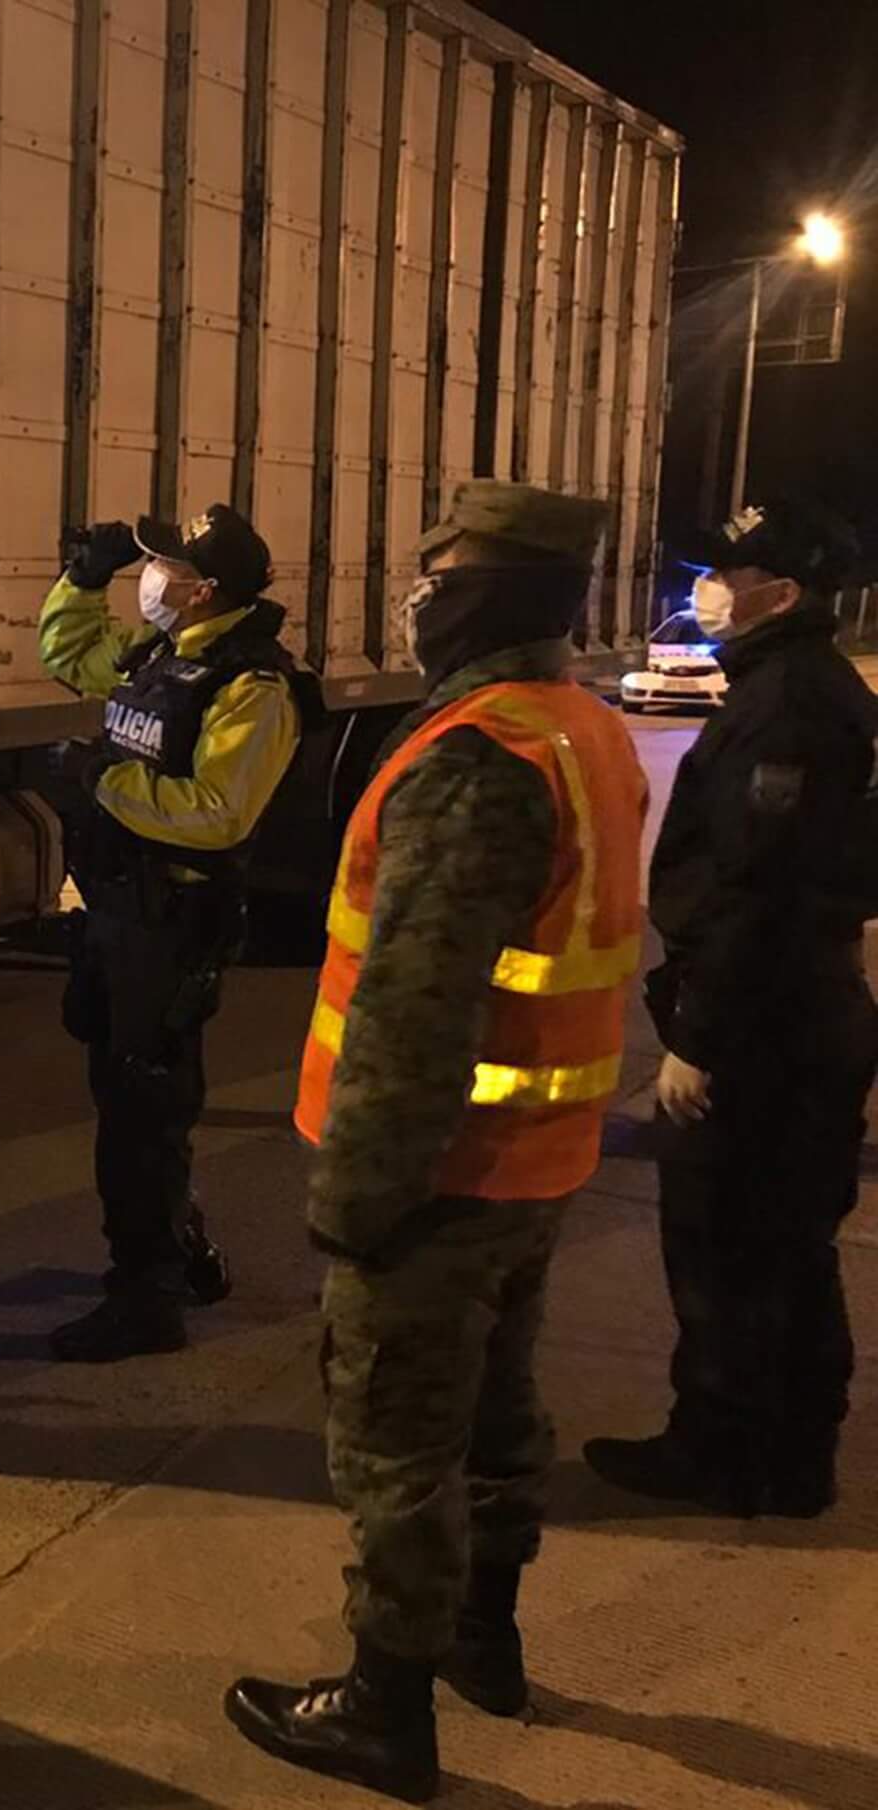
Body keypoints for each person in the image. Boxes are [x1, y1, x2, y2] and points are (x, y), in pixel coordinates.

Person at [225, 482, 648, 1801]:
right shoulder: (578, 725)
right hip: (536, 1155)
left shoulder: (476, 757)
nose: (418, 592)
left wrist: (358, 1194)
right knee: (495, 1411)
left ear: (492, 593)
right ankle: (482, 1638)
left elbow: (413, 1008)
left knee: (397, 1440)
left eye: (442, 571)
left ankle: (381, 1705)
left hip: (442, 1172)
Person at [587, 498, 878, 1519]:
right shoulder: (793, 685)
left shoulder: (787, 705)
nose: (707, 589)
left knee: (728, 1243)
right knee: (785, 1244)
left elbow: (758, 886)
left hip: (768, 1019)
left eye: (728, 575)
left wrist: (697, 1040)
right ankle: (790, 1458)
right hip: (800, 1005)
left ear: (781, 593)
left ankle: (724, 1452)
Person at [38, 505, 316, 1361]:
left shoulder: (252, 688)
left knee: (144, 1117)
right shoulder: (163, 654)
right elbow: (71, 656)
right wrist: (84, 580)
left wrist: (101, 781)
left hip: (171, 926)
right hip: (121, 915)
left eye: (167, 568)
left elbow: (217, 814)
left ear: (204, 591)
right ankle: (175, 1249)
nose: (152, 579)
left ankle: (147, 1299)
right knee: (125, 1103)